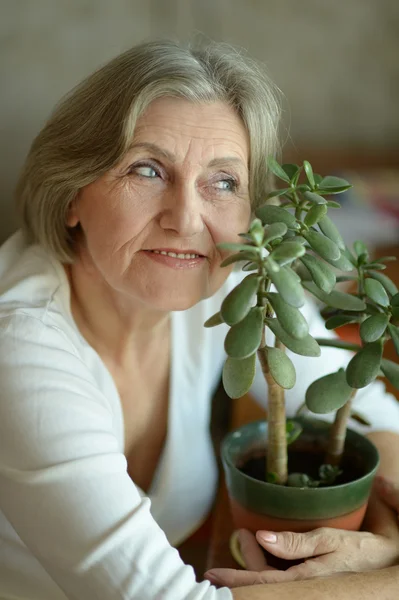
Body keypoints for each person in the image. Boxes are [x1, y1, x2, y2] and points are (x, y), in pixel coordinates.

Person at [0, 39, 398, 600]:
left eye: (224, 181)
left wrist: (379, 545)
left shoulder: (224, 278)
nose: (187, 219)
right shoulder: (18, 346)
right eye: (147, 169)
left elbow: (378, 423)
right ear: (72, 192)